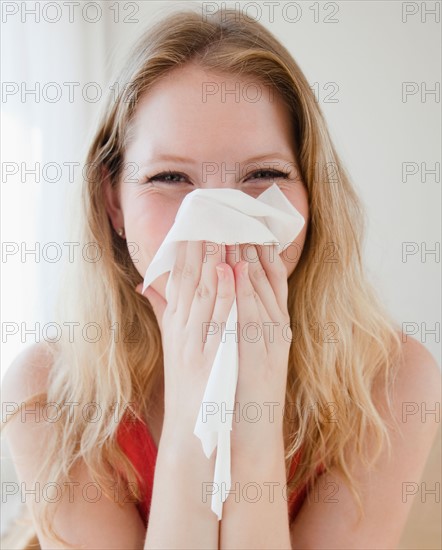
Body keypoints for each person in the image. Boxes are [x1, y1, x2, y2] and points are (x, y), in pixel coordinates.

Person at [1, 7, 440, 549]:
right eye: (169, 177)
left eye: (263, 175)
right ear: (113, 200)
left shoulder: (393, 380)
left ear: (311, 194)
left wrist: (252, 419)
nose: (218, 218)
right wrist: (194, 412)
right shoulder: (48, 393)